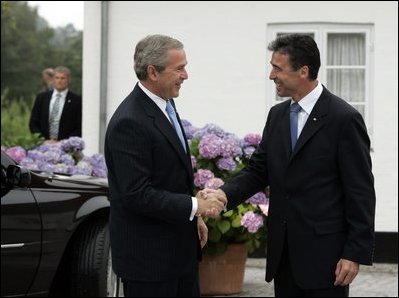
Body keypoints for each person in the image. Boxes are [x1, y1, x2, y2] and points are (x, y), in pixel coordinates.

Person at [202, 34, 376, 297]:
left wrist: (354, 253)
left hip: (326, 259)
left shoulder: (344, 119)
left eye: (277, 68)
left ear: (303, 71)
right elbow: (258, 170)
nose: (271, 75)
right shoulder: (277, 116)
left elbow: (360, 191)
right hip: (283, 258)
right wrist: (223, 194)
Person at [104, 34, 226, 297]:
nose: (186, 75)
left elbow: (168, 177)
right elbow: (137, 194)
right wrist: (195, 205)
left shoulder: (165, 105)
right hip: (149, 264)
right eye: (179, 68)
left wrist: (195, 217)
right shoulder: (130, 121)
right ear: (152, 72)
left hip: (178, 256)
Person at [29, 66, 82, 142]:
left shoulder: (77, 100)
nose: (59, 81)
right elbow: (33, 123)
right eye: (57, 78)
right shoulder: (41, 98)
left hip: (66, 146)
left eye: (62, 78)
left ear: (69, 80)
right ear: (53, 80)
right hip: (43, 145)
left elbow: (79, 126)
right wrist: (43, 140)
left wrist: (64, 143)